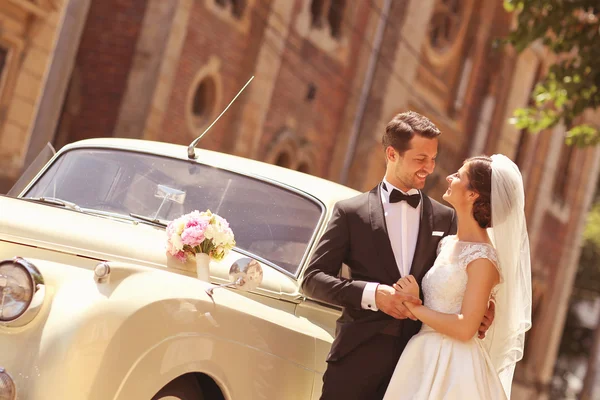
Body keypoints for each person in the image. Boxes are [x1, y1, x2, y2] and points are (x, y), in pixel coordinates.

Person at [301, 111, 495, 399]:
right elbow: (313, 280)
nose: (429, 168)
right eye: (420, 159)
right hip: (356, 358)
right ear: (392, 154)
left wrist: (485, 310)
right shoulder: (351, 212)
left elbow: (464, 277)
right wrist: (373, 295)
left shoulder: (447, 218)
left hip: (420, 366)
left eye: (433, 159)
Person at [383, 155, 532, 399]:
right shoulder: (447, 244)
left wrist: (413, 306)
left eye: (459, 175)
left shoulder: (483, 258)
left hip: (454, 366)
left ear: (473, 194)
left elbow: (465, 328)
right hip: (422, 355)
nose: (450, 178)